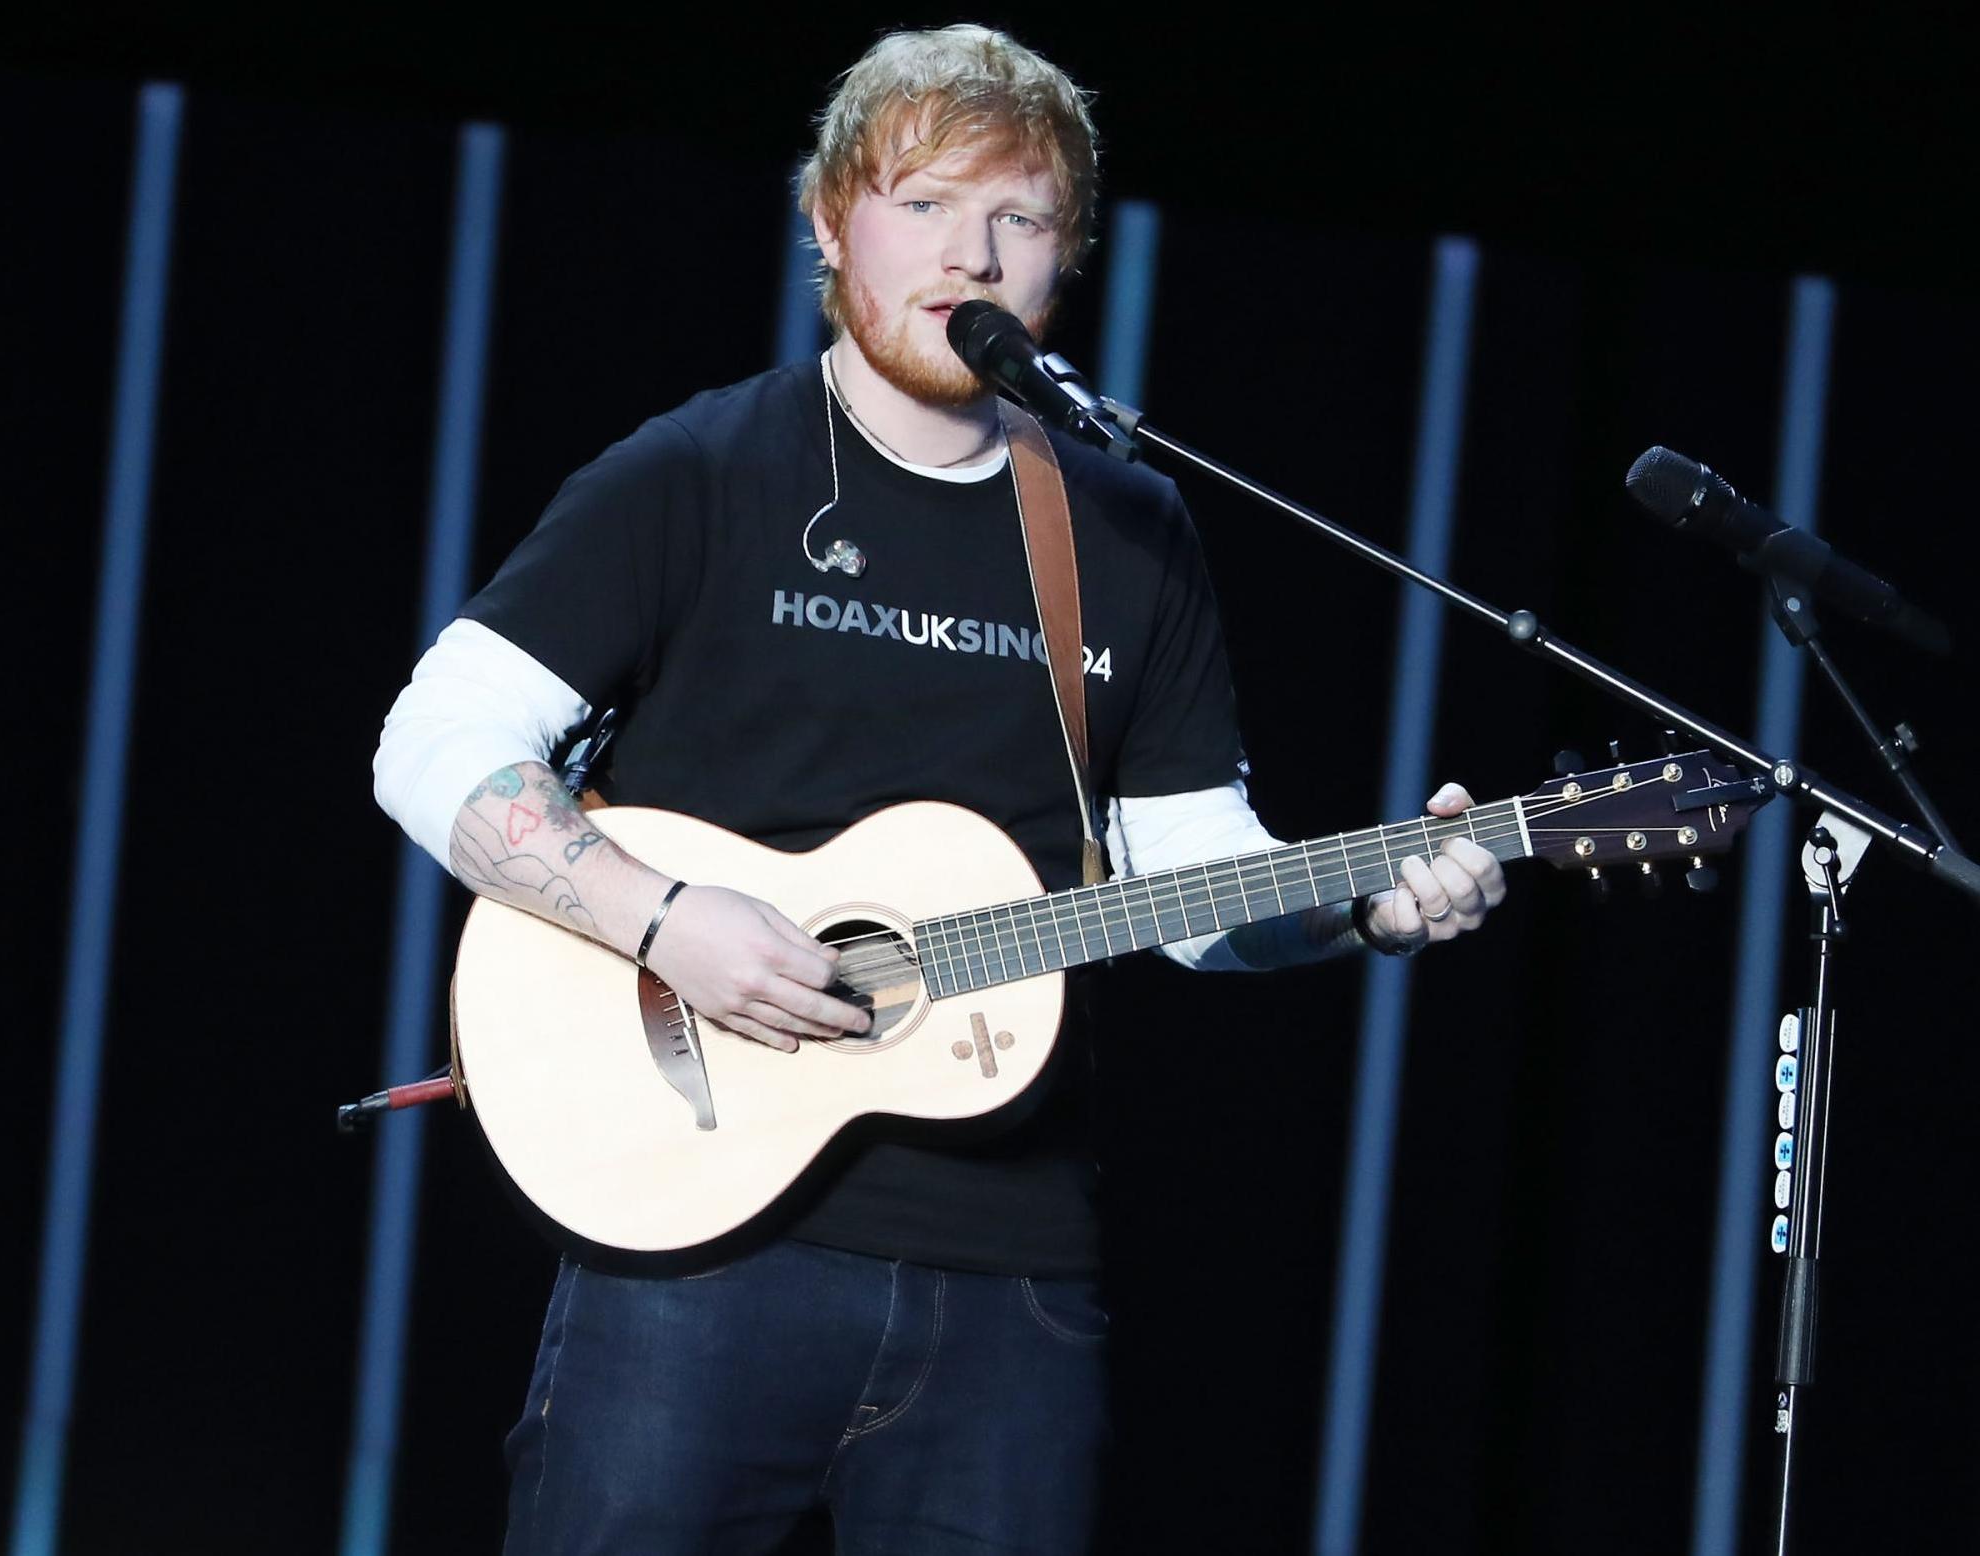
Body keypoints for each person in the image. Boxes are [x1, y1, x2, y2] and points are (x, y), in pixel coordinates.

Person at [373, 24, 1505, 1553]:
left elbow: (1189, 890)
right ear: (831, 222)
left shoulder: (1125, 524)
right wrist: (664, 920)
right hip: (693, 1264)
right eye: (924, 204)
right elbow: (433, 743)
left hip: (1012, 1289)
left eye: (1019, 219)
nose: (971, 255)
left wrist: (1358, 906)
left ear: (1066, 263)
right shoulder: (702, 472)